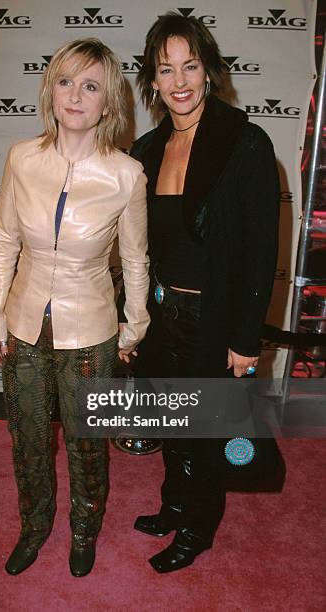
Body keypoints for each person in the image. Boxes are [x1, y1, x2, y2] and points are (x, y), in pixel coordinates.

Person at [0, 38, 149, 578]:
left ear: (109, 103)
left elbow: (135, 258)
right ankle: (34, 527)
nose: (75, 95)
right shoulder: (21, 158)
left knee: (86, 444)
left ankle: (85, 528)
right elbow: (4, 240)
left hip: (92, 331)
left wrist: (135, 326)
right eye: (65, 81)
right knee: (27, 440)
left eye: (90, 85)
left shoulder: (126, 175)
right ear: (50, 89)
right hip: (25, 324)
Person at [130, 12, 280, 573]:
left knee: (202, 432)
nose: (180, 81)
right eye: (165, 69)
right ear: (152, 80)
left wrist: (246, 339)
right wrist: (135, 322)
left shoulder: (244, 141)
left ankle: (197, 528)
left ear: (208, 71)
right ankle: (174, 505)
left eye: (189, 65)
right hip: (164, 315)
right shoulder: (147, 150)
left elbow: (260, 251)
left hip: (214, 320)